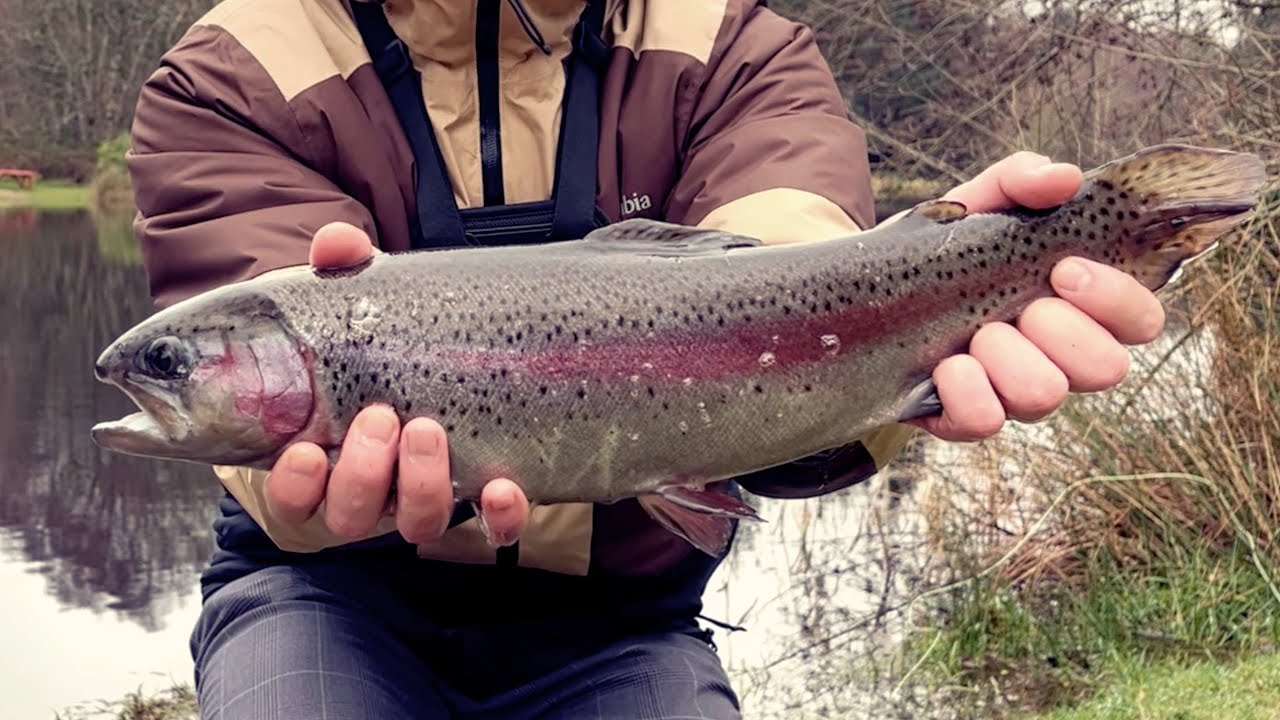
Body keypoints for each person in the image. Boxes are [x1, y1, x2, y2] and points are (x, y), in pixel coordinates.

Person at [124, 0, 1165, 717]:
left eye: (170, 367)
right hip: (325, 597)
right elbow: (248, 436)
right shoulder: (234, 72)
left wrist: (945, 286)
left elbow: (785, 271)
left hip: (623, 621)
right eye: (174, 366)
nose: (158, 378)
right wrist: (290, 496)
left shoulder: (732, 47)